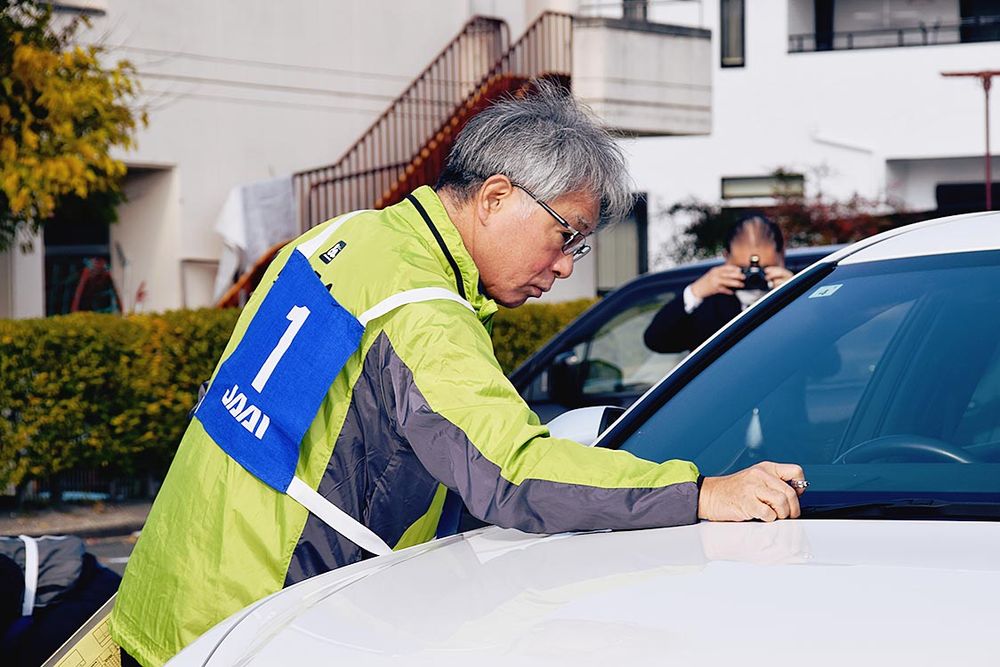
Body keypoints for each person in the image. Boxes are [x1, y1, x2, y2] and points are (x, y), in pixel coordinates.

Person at [110, 83, 805, 666]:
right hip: (263, 629)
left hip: (168, 602)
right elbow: (514, 471)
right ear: (497, 195)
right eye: (566, 235)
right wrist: (700, 491)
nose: (568, 265)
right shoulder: (423, 310)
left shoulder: (342, 239)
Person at [644, 215, 794, 354]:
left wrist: (799, 294)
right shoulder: (709, 306)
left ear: (782, 256)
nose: (754, 276)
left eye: (764, 268)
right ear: (726, 257)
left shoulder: (802, 291)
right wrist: (694, 293)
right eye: (744, 269)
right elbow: (656, 340)